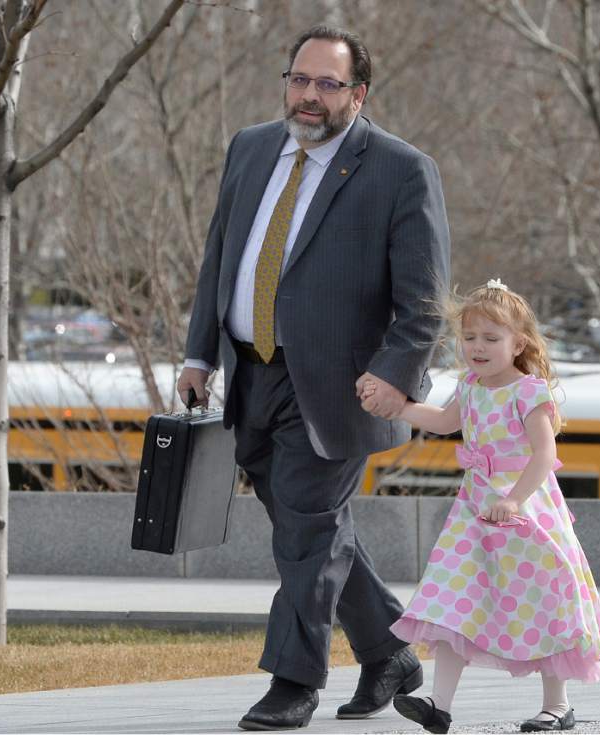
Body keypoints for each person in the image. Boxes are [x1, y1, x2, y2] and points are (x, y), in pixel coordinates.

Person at [176, 25, 451, 731]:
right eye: (299, 79)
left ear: (358, 94)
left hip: (339, 385)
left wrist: (398, 376)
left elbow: (424, 298)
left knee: (306, 523)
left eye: (327, 84)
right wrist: (199, 353)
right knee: (312, 529)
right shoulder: (250, 146)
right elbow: (221, 257)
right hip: (250, 373)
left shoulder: (399, 169)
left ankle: (293, 680)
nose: (309, 95)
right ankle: (391, 650)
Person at [360, 279, 600, 733]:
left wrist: (513, 498)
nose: (477, 347)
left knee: (542, 598)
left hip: (525, 510)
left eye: (491, 339)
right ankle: (439, 703)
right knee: (454, 596)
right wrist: (398, 407)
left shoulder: (529, 392)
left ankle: (557, 704)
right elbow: (441, 421)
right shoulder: (471, 386)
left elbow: (544, 456)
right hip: (474, 511)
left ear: (519, 344)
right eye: (470, 337)